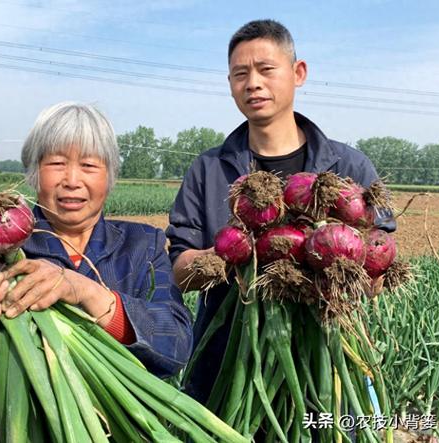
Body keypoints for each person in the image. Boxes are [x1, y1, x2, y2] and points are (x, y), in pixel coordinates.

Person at [166, 19, 395, 405]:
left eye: (266, 69)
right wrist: (236, 254)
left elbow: (379, 265)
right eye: (241, 74)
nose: (253, 83)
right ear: (230, 84)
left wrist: (336, 262)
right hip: (226, 374)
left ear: (298, 73)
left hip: (328, 374)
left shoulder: (350, 168)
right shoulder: (207, 170)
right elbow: (179, 270)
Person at [0, 101, 193, 439]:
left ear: (110, 175)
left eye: (89, 165)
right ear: (33, 172)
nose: (72, 180)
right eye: (56, 163)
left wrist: (86, 292)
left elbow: (174, 346)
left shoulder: (142, 244)